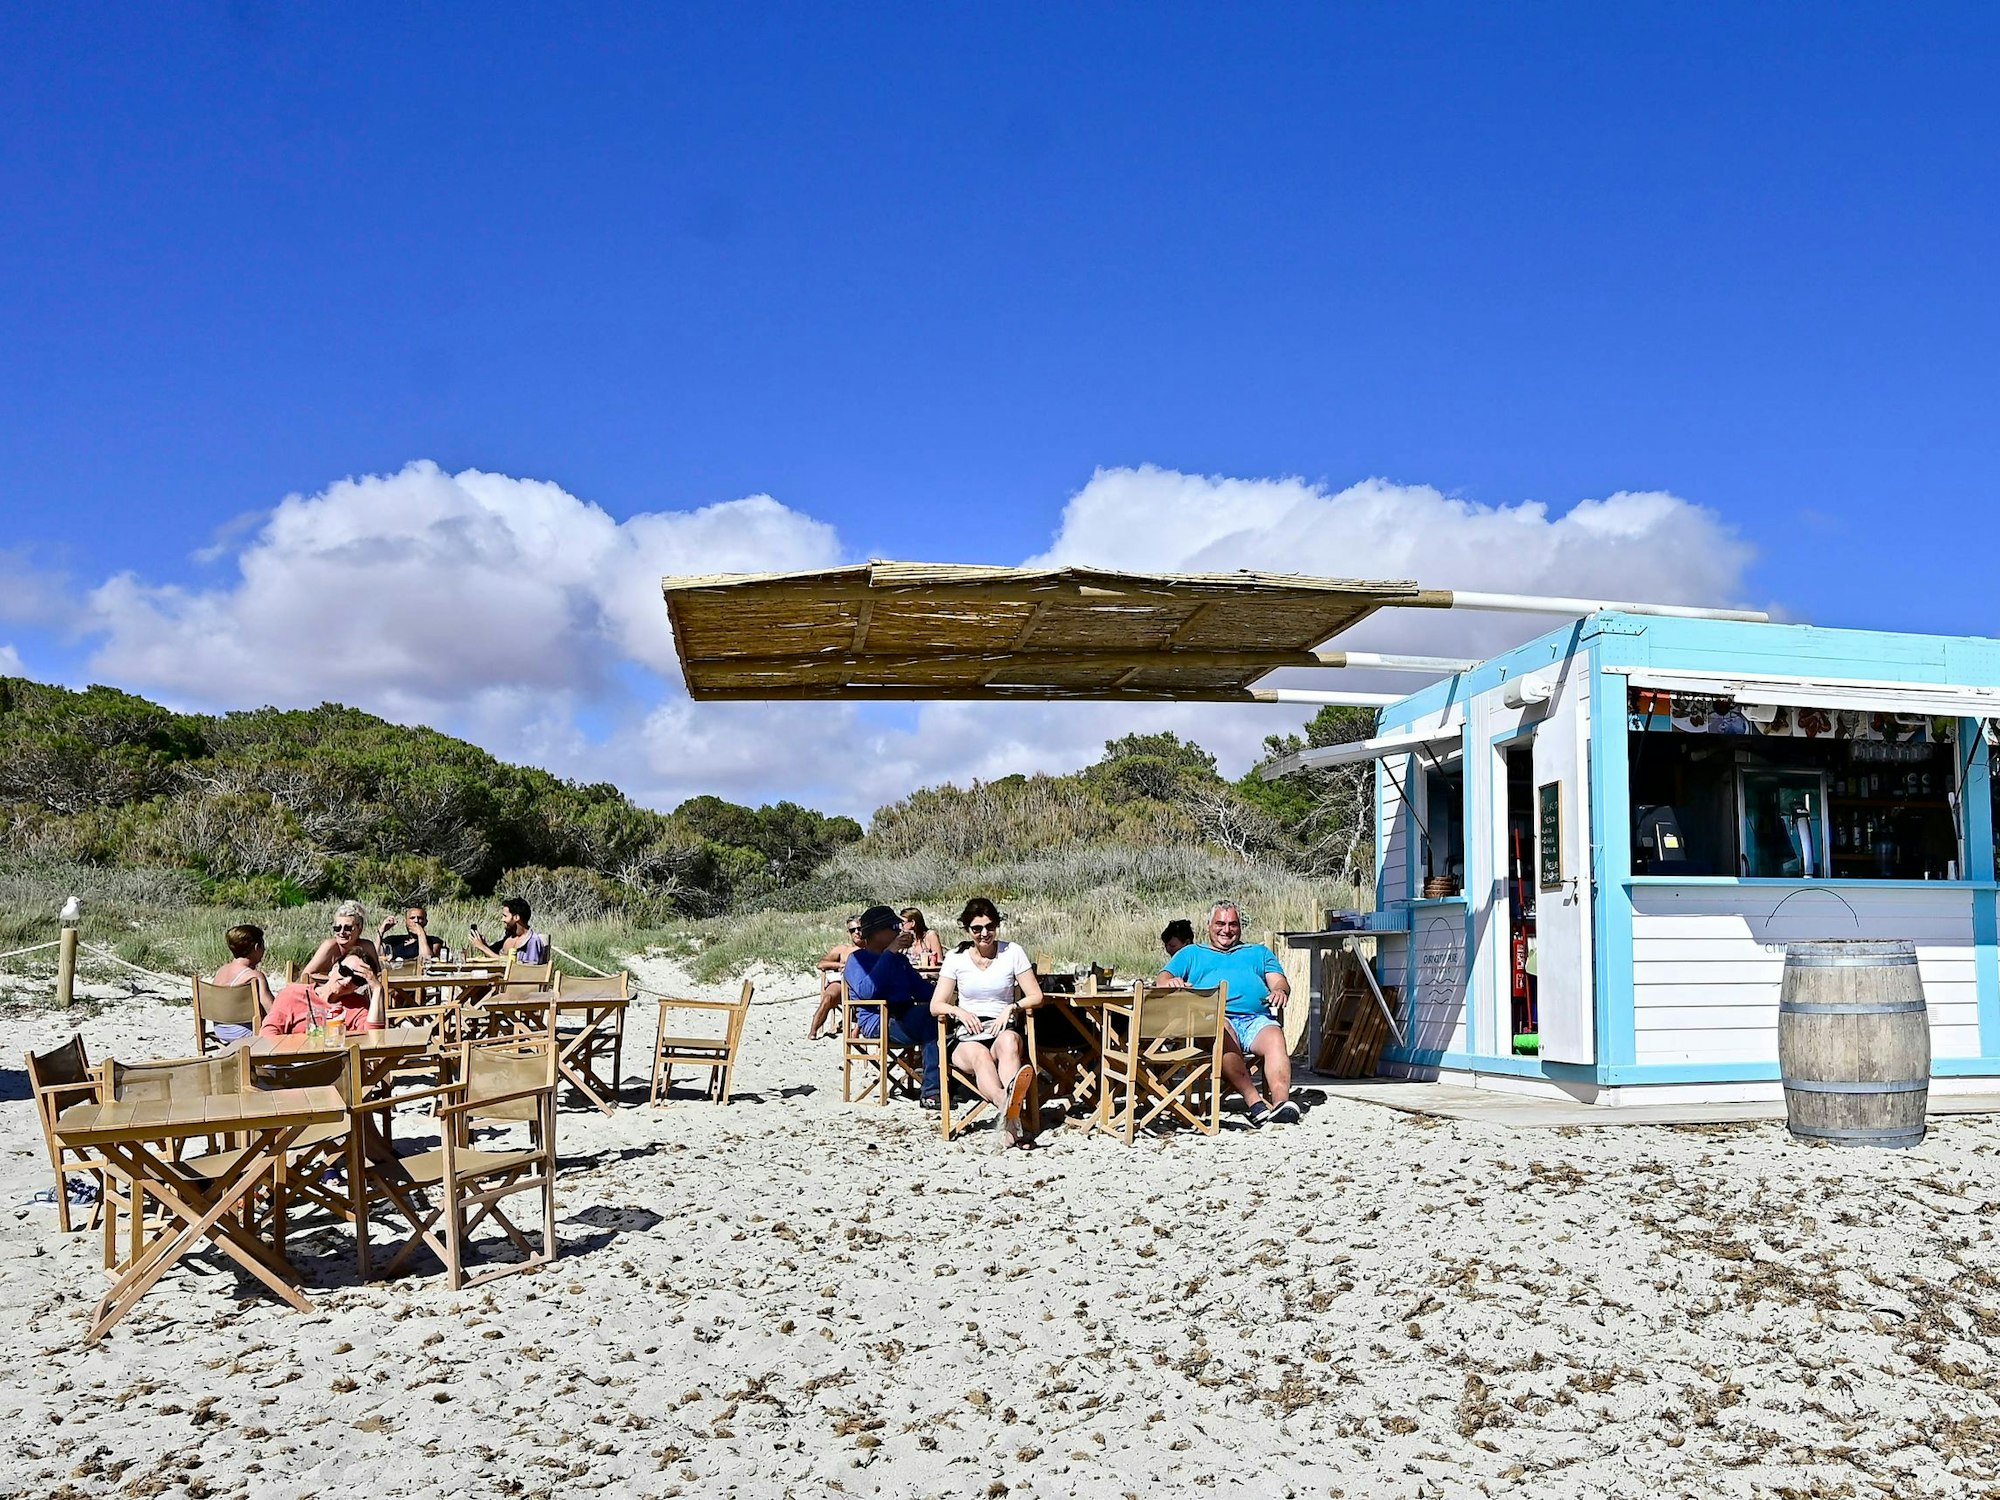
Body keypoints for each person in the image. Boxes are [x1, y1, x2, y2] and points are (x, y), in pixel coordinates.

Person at [1155, 901, 1297, 1126]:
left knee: (1274, 1037)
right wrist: (1172, 981)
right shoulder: (1191, 953)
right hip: (1210, 1021)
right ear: (1209, 925)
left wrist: (1280, 989)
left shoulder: (1258, 952)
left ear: (1240, 927)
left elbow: (1279, 981)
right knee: (1222, 1028)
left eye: (1233, 924)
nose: (1226, 929)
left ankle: (1281, 1104)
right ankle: (1255, 1102)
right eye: (1220, 923)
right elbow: (1162, 979)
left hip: (1254, 1020)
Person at [930, 897, 1043, 1147]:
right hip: (967, 1034)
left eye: (990, 927)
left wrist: (1012, 1007)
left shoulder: (1012, 952)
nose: (984, 934)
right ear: (967, 930)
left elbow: (1036, 996)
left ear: (997, 926)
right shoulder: (956, 958)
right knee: (980, 1056)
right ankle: (1009, 1108)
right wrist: (958, 1011)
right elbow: (935, 1004)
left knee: (1010, 1043)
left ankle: (1008, 1118)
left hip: (1000, 1025)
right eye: (977, 929)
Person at [844, 904, 941, 1107]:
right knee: (929, 1019)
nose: (899, 931)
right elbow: (867, 992)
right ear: (878, 932)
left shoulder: (899, 960)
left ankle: (948, 1083)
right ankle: (932, 1091)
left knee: (943, 1015)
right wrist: (890, 952)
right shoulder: (857, 959)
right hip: (878, 1020)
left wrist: (949, 991)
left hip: (905, 1015)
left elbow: (922, 990)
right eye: (894, 926)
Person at [261, 953, 385, 1036]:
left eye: (357, 980)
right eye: (345, 971)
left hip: (340, 1071)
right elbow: (268, 1033)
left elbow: (374, 1039)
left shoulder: (358, 1006)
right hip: (294, 1068)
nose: (347, 981)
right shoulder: (293, 994)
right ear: (333, 968)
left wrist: (378, 989)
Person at [211, 924, 276, 1045]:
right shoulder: (254, 976)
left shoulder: (221, 970)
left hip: (220, 1030)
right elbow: (272, 1009)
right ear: (257, 947)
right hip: (244, 1032)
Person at [808, 915, 864, 1039]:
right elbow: (821, 964)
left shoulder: (871, 948)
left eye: (859, 928)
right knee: (828, 997)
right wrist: (841, 965)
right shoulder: (843, 949)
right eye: (852, 930)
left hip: (862, 984)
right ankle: (813, 1031)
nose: (857, 932)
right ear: (848, 932)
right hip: (841, 983)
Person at [304, 900, 382, 979]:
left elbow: (379, 976)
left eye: (347, 928)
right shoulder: (329, 947)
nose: (341, 932)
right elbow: (305, 976)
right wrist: (334, 979)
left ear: (359, 929)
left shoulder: (366, 947)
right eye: (337, 928)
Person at [468, 897, 549, 964]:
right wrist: (483, 944)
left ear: (516, 917)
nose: (502, 920)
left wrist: (482, 947)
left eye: (505, 916)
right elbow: (494, 956)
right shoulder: (508, 938)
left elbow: (527, 970)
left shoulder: (532, 941)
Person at [378, 904, 446, 966]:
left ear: (425, 922)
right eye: (412, 918)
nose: (416, 921)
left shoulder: (433, 941)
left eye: (420, 918)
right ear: (406, 922)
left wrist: (421, 934)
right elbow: (375, 955)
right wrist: (381, 931)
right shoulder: (393, 940)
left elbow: (428, 960)